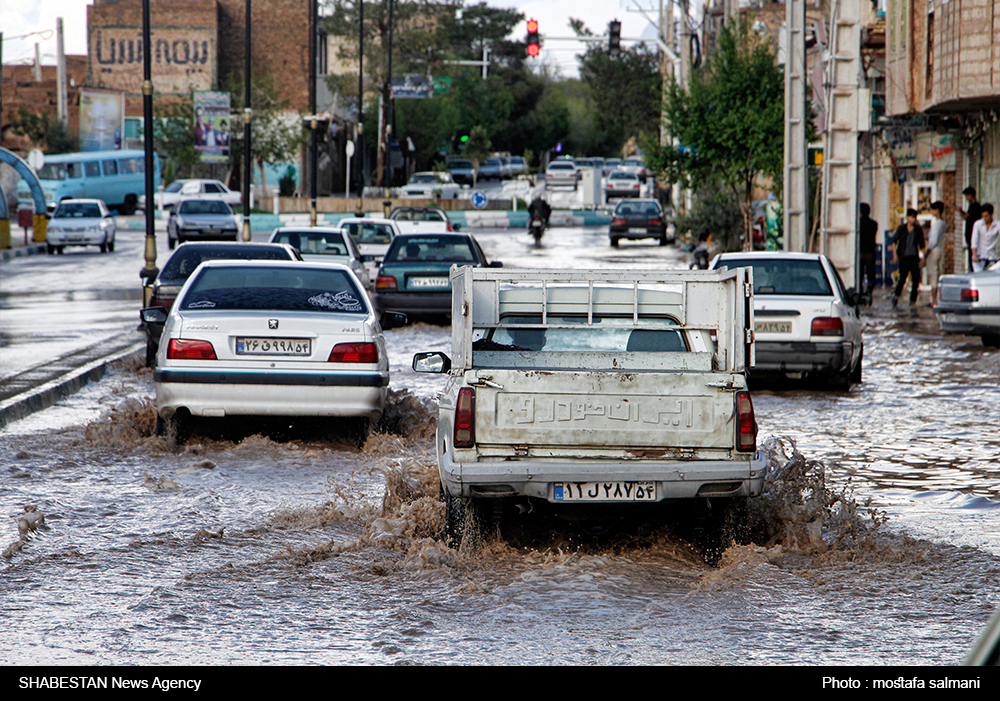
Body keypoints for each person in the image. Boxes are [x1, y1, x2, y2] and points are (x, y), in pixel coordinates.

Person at [891, 208, 925, 308]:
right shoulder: (901, 228)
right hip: (904, 257)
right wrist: (895, 254)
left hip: (914, 257)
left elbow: (921, 244)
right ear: (907, 217)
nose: (913, 219)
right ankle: (896, 295)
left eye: (914, 217)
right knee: (902, 278)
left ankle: (912, 300)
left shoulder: (918, 229)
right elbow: (894, 241)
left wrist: (923, 258)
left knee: (915, 279)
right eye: (911, 217)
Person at [924, 201, 946, 307]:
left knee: (933, 275)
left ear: (937, 210)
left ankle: (934, 300)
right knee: (940, 275)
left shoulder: (936, 223)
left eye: (932, 209)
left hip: (934, 251)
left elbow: (932, 241)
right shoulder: (943, 223)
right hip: (941, 250)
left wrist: (926, 254)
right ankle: (938, 298)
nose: (931, 211)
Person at [957, 187, 982, 271]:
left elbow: (966, 216)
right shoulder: (973, 206)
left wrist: (960, 211)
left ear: (971, 195)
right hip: (971, 237)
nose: (966, 199)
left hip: (974, 237)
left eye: (967, 196)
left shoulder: (975, 206)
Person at [970, 203, 999, 272]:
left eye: (986, 216)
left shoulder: (997, 225)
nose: (985, 219)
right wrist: (974, 255)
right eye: (983, 216)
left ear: (991, 214)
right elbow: (974, 240)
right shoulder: (978, 224)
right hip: (979, 257)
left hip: (992, 256)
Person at [858, 202, 878, 298]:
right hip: (870, 253)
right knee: (871, 275)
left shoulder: (858, 224)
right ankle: (869, 292)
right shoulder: (874, 224)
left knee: (859, 274)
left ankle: (860, 292)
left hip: (860, 252)